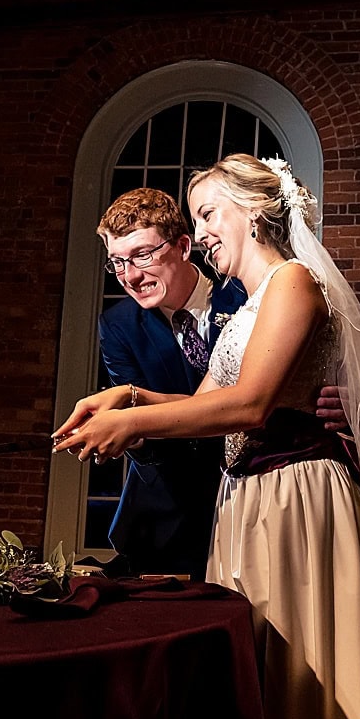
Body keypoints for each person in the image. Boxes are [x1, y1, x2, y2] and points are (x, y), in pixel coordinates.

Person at [55, 155, 360, 719]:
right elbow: (201, 400)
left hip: (292, 499)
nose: (199, 233)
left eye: (207, 215)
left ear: (254, 212)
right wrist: (127, 396)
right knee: (260, 683)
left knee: (305, 681)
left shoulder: (293, 282)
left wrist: (132, 417)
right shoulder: (255, 295)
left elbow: (250, 405)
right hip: (247, 500)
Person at [94, 187, 247, 579]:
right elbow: (143, 428)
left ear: (183, 246)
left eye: (143, 255)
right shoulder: (117, 325)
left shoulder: (246, 298)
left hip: (253, 503)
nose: (130, 276)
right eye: (117, 262)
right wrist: (132, 437)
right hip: (165, 523)